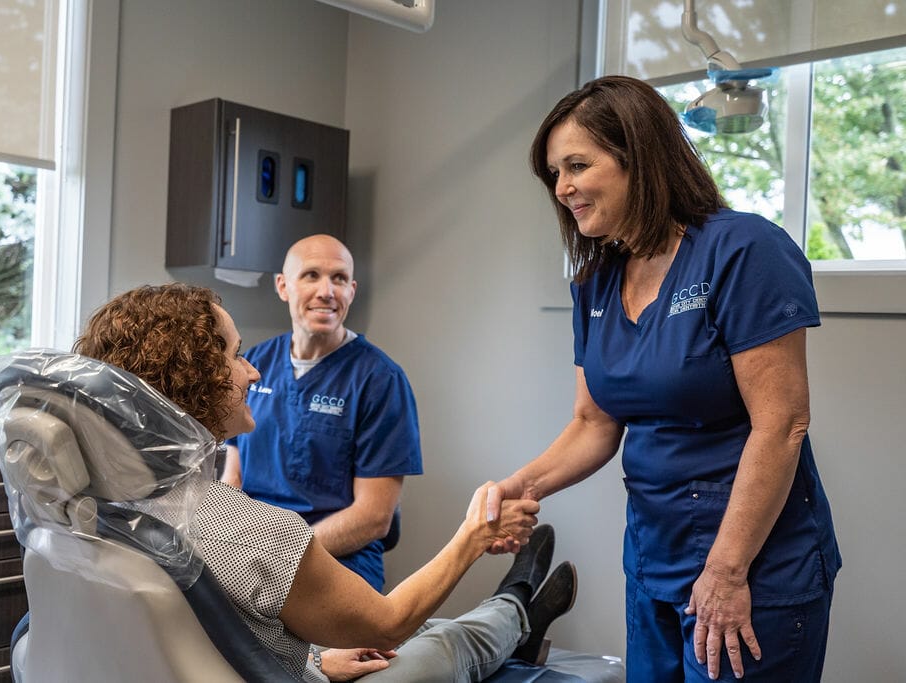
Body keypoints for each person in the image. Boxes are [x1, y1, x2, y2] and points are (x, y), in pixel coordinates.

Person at [485, 75, 841, 682]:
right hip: (654, 551)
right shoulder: (595, 282)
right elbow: (593, 423)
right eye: (554, 173)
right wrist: (522, 486)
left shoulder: (743, 249)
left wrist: (727, 570)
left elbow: (782, 425)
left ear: (638, 158)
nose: (563, 187)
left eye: (577, 165)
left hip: (751, 560)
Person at [73, 283, 579, 682]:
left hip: (231, 652)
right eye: (234, 356)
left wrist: (313, 659)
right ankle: (516, 603)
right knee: (437, 648)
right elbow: (388, 620)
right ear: (192, 378)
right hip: (274, 626)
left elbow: (204, 635)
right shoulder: (246, 533)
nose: (253, 372)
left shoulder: (93, 503)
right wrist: (476, 533)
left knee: (413, 632)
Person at [222, 234, 422, 591]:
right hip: (253, 555)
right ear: (283, 286)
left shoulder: (380, 380)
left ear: (352, 290)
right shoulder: (255, 365)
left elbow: (375, 518)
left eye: (340, 279)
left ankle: (508, 608)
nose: (327, 291)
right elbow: (233, 481)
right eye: (311, 275)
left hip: (339, 563)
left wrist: (282, 555)